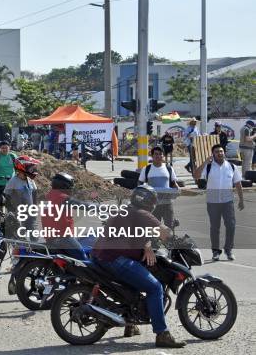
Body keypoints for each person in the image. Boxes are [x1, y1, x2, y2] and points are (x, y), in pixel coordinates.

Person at [93, 185, 185, 348]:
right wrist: (172, 234)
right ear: (148, 201)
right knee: (155, 287)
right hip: (115, 259)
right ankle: (162, 334)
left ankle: (130, 324)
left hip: (102, 256)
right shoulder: (142, 214)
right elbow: (164, 233)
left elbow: (136, 233)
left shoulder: (126, 210)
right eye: (153, 200)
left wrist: (147, 244)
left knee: (134, 284)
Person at [194, 144, 244, 261]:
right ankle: (215, 251)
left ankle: (228, 250)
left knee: (231, 226)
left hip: (228, 202)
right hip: (213, 202)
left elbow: (238, 183)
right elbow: (196, 175)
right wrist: (205, 162)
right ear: (213, 154)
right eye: (217, 152)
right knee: (215, 227)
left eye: (221, 151)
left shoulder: (231, 166)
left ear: (224, 152)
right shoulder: (209, 167)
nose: (220, 153)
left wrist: (241, 200)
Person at [139, 146, 179, 228]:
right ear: (152, 156)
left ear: (163, 156)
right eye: (156, 154)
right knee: (154, 228)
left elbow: (174, 183)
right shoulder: (146, 169)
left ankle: (168, 240)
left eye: (160, 154)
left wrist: (177, 188)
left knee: (169, 227)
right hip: (152, 204)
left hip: (167, 203)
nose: (158, 156)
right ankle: (155, 241)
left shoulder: (169, 168)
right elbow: (140, 183)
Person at [3, 155, 40, 241]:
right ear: (22, 167)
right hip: (18, 215)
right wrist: (11, 211)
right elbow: (6, 196)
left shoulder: (30, 181)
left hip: (30, 214)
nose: (33, 170)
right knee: (20, 239)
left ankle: (34, 252)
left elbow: (34, 195)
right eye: (31, 168)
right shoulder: (13, 181)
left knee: (35, 237)